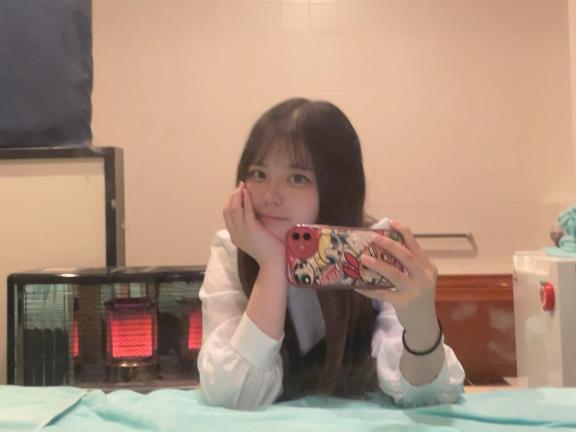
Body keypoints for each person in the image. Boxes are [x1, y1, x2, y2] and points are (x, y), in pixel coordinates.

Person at [197, 98, 465, 410]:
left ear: (337, 187)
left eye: (298, 178)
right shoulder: (232, 251)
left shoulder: (374, 253)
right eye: (258, 174)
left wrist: (422, 326)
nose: (270, 196)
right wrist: (271, 264)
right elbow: (232, 396)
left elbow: (426, 396)